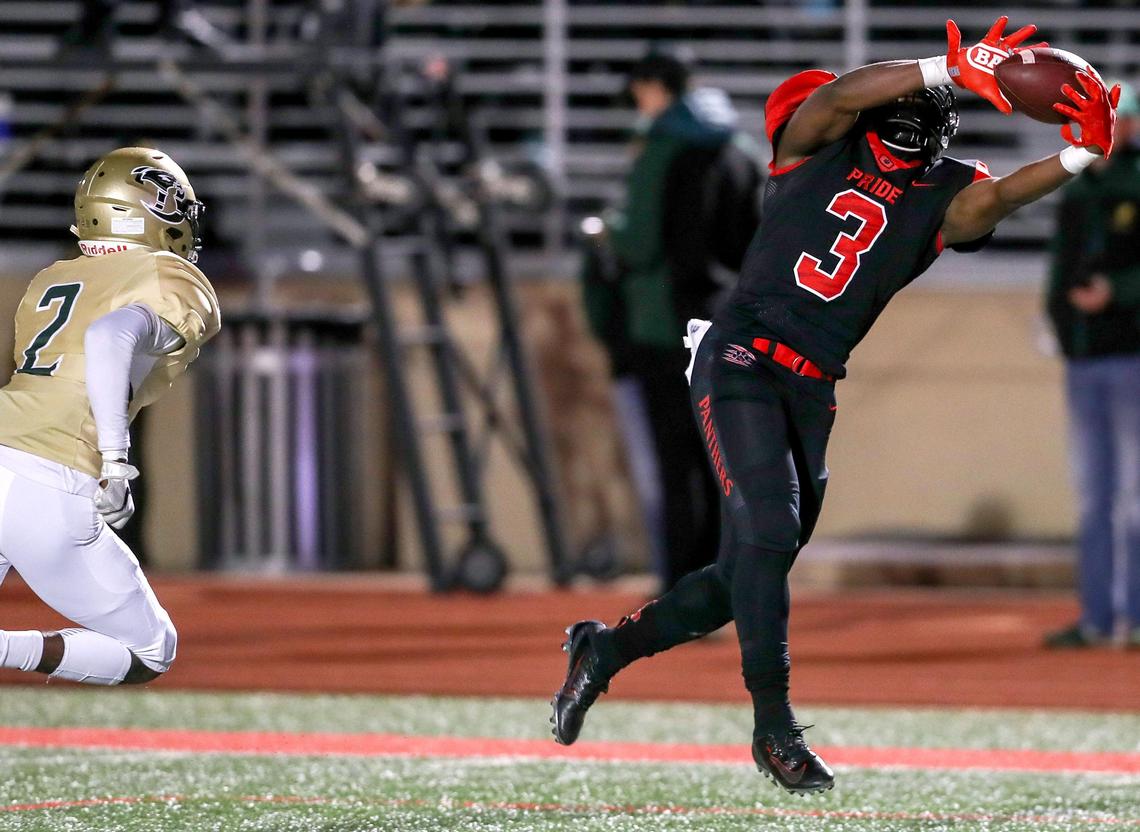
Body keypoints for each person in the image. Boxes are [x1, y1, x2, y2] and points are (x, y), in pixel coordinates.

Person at [553, 16, 1121, 794]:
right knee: (770, 527)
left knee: (746, 569)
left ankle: (605, 651)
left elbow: (989, 205)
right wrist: (945, 65)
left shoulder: (945, 193)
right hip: (739, 355)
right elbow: (844, 95)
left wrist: (1080, 153)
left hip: (812, 382)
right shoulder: (817, 143)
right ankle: (774, 729)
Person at [0, 147, 220, 686]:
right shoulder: (169, 275)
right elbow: (109, 336)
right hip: (51, 477)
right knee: (149, 650)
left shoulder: (51, 278)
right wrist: (116, 462)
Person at [582, 49, 763, 591]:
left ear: (655, 89)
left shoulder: (661, 149)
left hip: (663, 323)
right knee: (724, 461)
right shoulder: (741, 148)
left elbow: (638, 242)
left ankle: (682, 587)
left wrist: (607, 231)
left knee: (673, 461)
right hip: (729, 320)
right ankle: (726, 580)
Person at [1043, 82, 1140, 649]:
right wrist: (1058, 320)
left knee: (1133, 494)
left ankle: (1131, 614)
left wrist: (1118, 293)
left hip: (1130, 353)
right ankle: (1098, 616)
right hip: (1084, 357)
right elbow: (1061, 267)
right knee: (1094, 494)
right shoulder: (1078, 189)